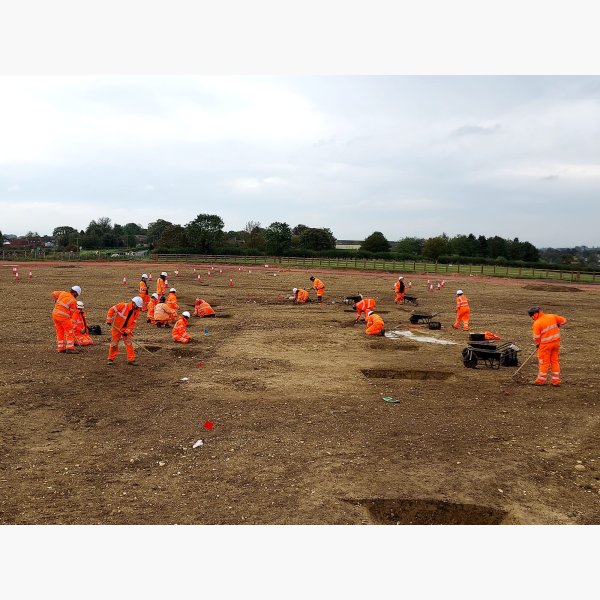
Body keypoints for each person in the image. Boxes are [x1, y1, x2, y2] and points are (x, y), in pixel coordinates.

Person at [529, 306, 567, 387]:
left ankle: (541, 380)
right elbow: (563, 320)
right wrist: (557, 323)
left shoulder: (537, 323)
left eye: (531, 316)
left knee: (544, 362)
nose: (532, 318)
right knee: (555, 361)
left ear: (535, 315)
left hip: (545, 345)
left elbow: (536, 337)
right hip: (556, 343)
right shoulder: (552, 316)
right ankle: (556, 381)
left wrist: (538, 343)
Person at [105, 296, 143, 366]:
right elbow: (111, 310)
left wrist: (127, 331)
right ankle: (110, 359)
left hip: (126, 329)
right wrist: (109, 319)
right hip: (117, 328)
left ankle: (131, 360)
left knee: (129, 343)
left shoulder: (136, 312)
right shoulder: (122, 305)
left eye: (138, 306)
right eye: (137, 306)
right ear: (133, 303)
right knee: (114, 344)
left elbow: (133, 323)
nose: (137, 307)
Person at [51, 285, 82, 353]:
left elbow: (53, 293)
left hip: (55, 314)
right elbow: (71, 313)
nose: (77, 296)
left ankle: (61, 348)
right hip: (63, 317)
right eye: (77, 295)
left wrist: (56, 300)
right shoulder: (73, 301)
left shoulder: (63, 293)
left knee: (60, 331)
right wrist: (69, 319)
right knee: (69, 331)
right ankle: (70, 348)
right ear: (75, 293)